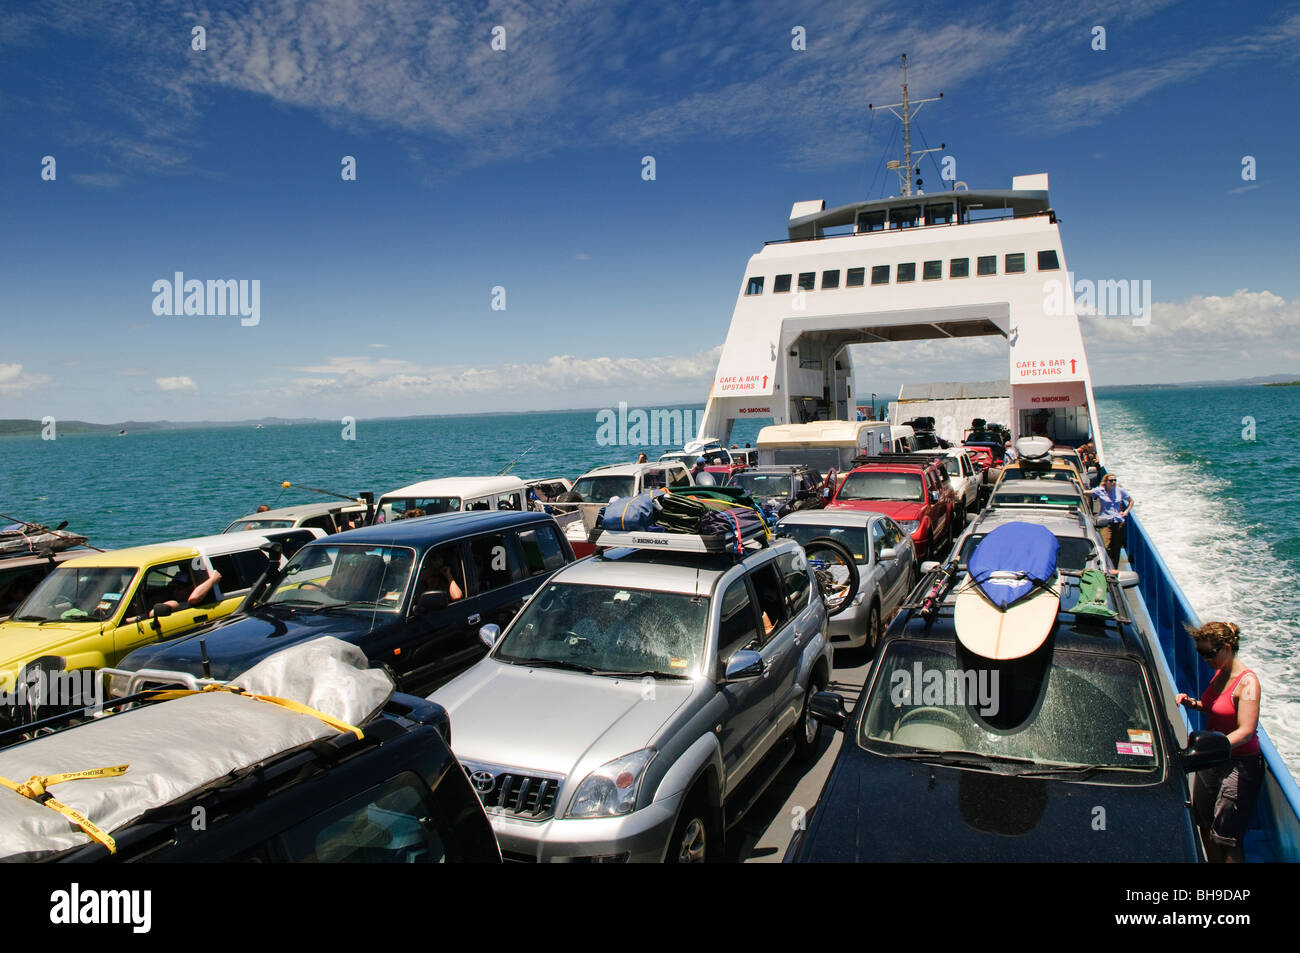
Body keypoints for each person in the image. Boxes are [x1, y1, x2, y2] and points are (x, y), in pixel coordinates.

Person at [1176, 622, 1262, 863]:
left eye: (1210, 654)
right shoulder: (1220, 672)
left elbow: (1246, 731)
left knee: (1227, 837)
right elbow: (1217, 708)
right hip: (1212, 758)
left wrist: (1214, 747)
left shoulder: (1247, 683)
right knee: (1203, 821)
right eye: (1201, 654)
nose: (1205, 659)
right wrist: (1193, 704)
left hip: (1238, 764)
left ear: (1227, 647)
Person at [1088, 474, 1132, 566]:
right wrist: (1076, 484)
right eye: (1111, 480)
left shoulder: (1120, 491)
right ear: (1106, 482)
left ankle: (1114, 567)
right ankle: (1105, 566)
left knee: (1116, 547)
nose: (1113, 482)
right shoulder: (1100, 490)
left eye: (1115, 480)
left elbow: (1131, 501)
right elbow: (1086, 493)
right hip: (1105, 522)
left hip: (1118, 522)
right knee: (1106, 545)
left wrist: (1126, 512)